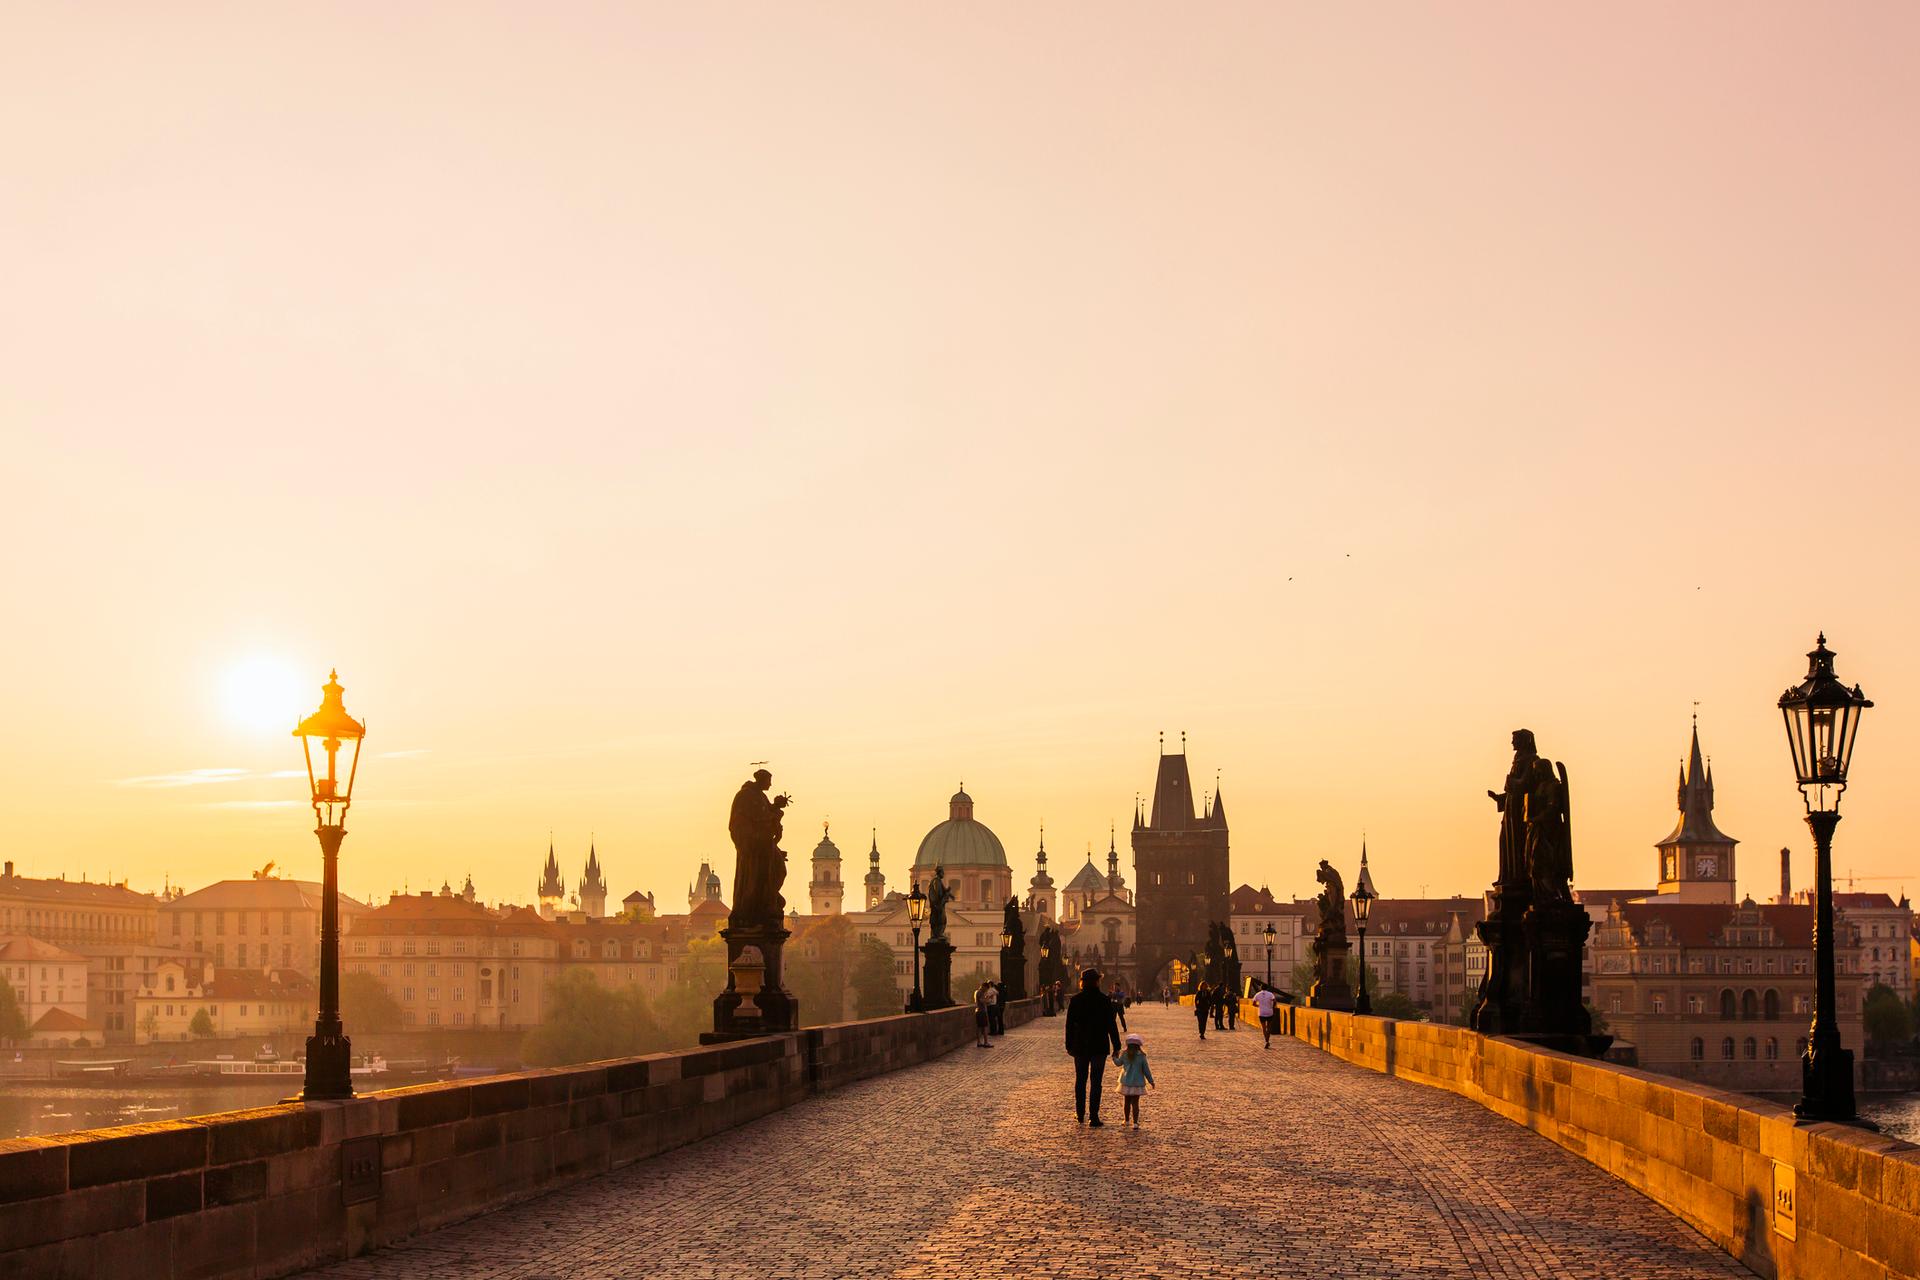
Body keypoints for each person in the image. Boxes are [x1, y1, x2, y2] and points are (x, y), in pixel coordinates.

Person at [1065, 967, 1122, 1126]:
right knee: (1096, 1082)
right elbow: (1112, 1025)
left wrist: (1069, 1045)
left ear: (1082, 982)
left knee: (1080, 1081)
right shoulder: (1104, 1000)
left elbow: (1069, 1026)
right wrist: (1116, 1045)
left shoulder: (1075, 1000)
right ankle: (1094, 1117)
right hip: (1099, 1046)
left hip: (1080, 1047)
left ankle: (1080, 1113)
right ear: (1097, 981)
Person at [1115, 1033, 1155, 1126]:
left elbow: (1118, 1063)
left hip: (1126, 1082)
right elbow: (1146, 1070)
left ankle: (1126, 1120)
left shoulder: (1125, 1054)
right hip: (1137, 1083)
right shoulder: (1141, 1056)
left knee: (1127, 1102)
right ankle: (1135, 1123)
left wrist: (1114, 1057)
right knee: (1135, 1104)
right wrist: (1151, 1081)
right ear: (1138, 1046)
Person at [1252, 983, 1279, 1049]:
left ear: (1261, 988)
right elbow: (1274, 1001)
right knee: (1269, 1027)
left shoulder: (1257, 994)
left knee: (1264, 1028)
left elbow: (1253, 1003)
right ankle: (1268, 1039)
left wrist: (1259, 1006)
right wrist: (1272, 1007)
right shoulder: (1270, 994)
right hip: (1269, 1012)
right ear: (1267, 988)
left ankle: (1266, 1041)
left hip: (1261, 1012)